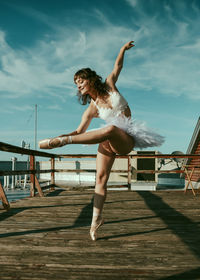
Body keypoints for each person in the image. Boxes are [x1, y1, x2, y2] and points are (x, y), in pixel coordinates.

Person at [39, 41, 164, 241]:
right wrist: (62, 135)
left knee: (111, 129)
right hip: (107, 140)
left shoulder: (110, 85)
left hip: (126, 138)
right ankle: (95, 221)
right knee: (100, 180)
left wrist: (122, 50)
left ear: (90, 79)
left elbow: (118, 67)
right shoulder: (92, 108)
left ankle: (66, 141)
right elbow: (80, 130)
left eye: (80, 80)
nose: (78, 85)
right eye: (76, 83)